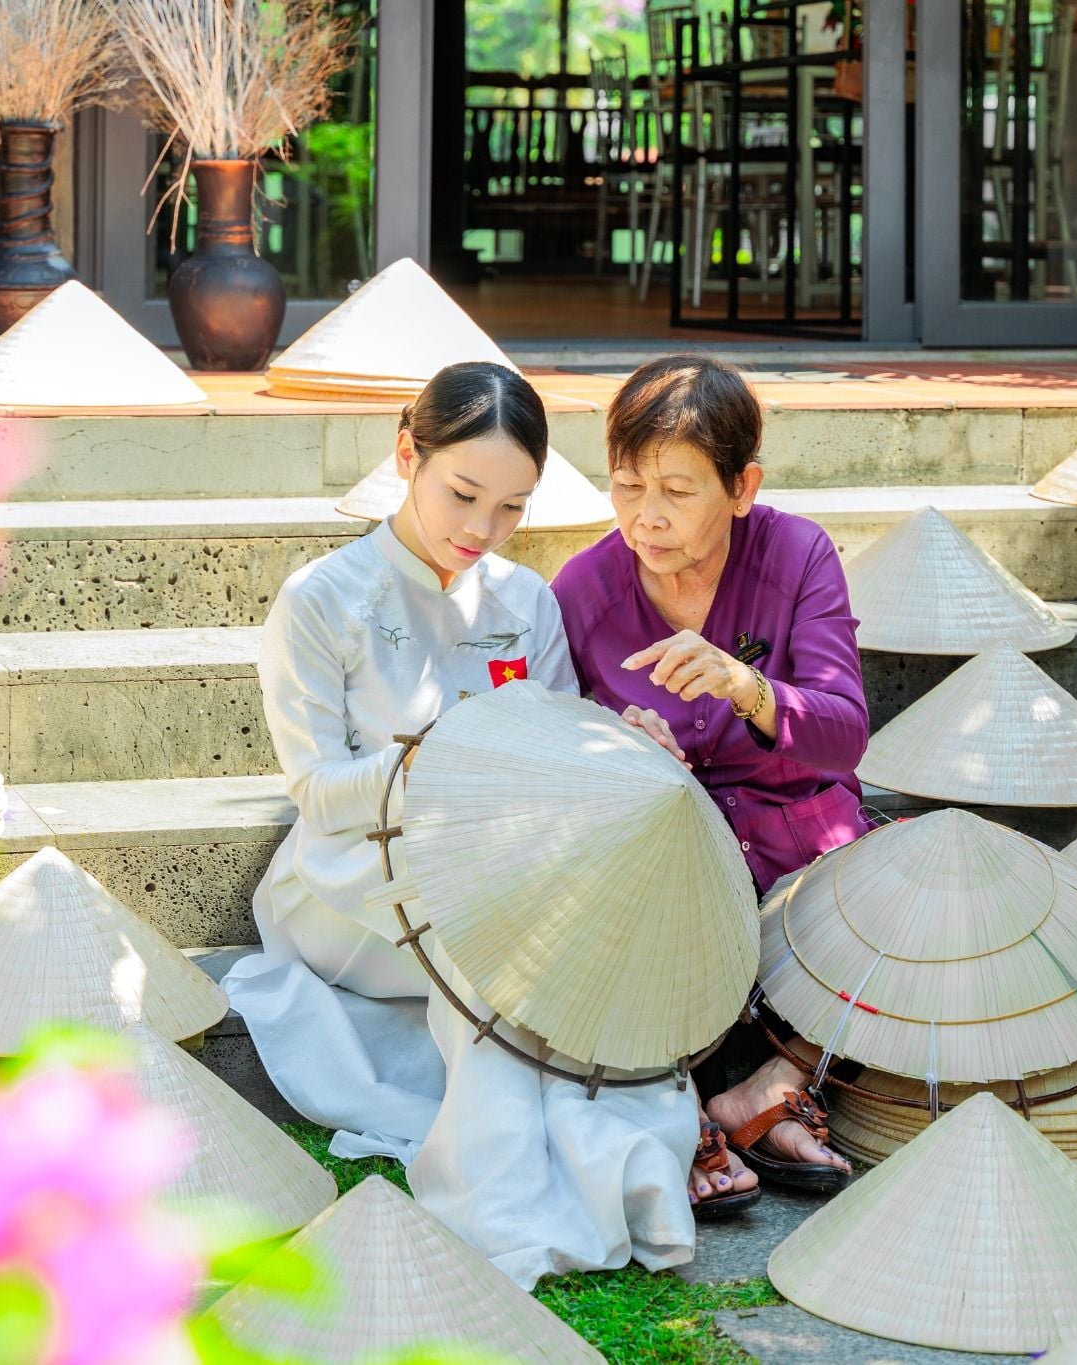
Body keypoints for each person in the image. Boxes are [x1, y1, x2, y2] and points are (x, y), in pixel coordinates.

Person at [222, 361, 699, 1287]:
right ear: (408, 454)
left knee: (571, 927)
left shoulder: (524, 603)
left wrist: (620, 746)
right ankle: (509, 1209)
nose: (483, 529)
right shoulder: (321, 601)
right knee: (494, 952)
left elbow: (556, 761)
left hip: (493, 865)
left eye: (513, 508)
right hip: (347, 875)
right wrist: (433, 757)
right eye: (464, 493)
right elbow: (316, 792)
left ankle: (620, 1162)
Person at [552, 355, 871, 1212]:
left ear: (742, 487)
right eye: (626, 487)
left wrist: (746, 685)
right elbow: (545, 754)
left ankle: (768, 1084)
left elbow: (845, 734)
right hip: (669, 865)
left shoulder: (798, 553)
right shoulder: (581, 590)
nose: (645, 517)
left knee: (922, 907)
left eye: (676, 491)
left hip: (803, 844)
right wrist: (614, 749)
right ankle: (684, 1105)